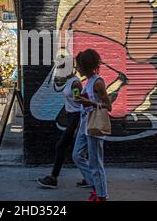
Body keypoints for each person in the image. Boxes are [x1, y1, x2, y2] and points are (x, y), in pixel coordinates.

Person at [37, 61, 88, 189]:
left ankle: (53, 178)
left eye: (62, 69)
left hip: (76, 119)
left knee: (61, 146)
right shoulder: (69, 81)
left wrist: (76, 126)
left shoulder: (75, 83)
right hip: (71, 117)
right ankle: (89, 178)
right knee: (78, 151)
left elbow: (79, 101)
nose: (60, 72)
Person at [72, 49, 112, 202]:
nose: (78, 69)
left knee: (96, 163)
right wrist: (82, 100)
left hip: (94, 125)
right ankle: (96, 186)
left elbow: (108, 106)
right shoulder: (88, 82)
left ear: (86, 66)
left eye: (79, 66)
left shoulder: (98, 82)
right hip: (85, 125)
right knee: (76, 155)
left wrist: (89, 102)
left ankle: (101, 196)